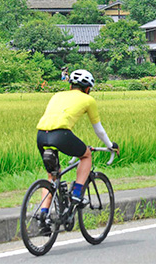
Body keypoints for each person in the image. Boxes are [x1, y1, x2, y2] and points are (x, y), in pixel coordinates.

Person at [36, 69, 118, 211]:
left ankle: (43, 214)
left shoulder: (57, 95)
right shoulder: (88, 100)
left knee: (52, 177)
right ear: (87, 89)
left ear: (70, 86)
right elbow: (98, 130)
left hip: (41, 135)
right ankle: (77, 194)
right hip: (60, 135)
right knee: (86, 155)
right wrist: (110, 145)